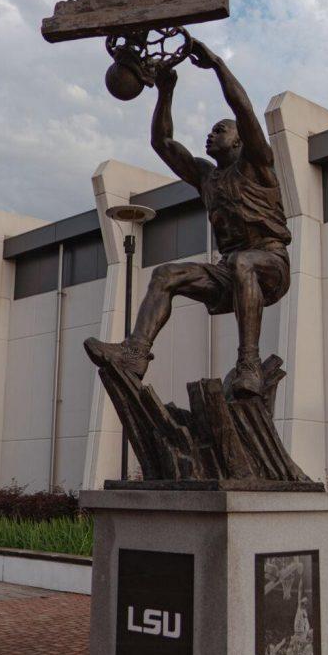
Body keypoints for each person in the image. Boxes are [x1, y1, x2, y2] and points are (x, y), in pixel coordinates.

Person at [85, 38, 291, 399]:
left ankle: (249, 364)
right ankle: (135, 355)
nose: (210, 135)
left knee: (245, 261)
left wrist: (217, 65)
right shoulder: (206, 177)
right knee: (167, 274)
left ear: (240, 142)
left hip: (270, 263)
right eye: (211, 130)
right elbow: (163, 142)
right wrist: (166, 91)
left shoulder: (258, 164)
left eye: (219, 130)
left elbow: (242, 108)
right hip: (231, 271)